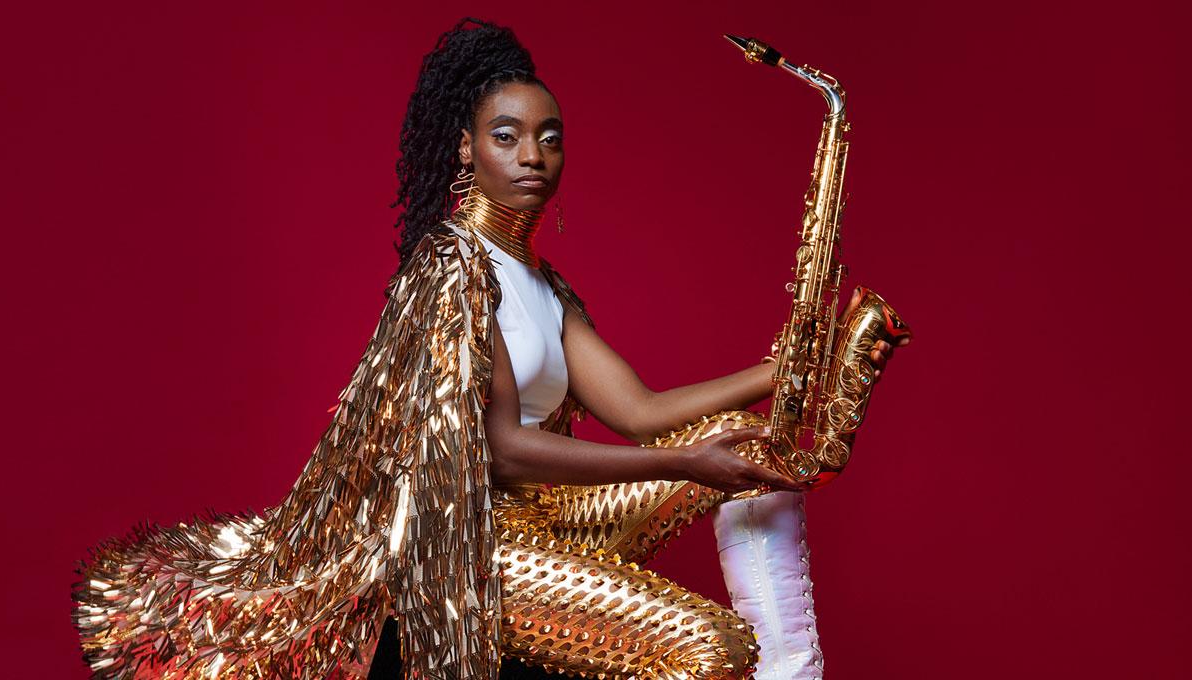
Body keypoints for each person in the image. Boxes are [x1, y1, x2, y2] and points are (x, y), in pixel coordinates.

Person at [72, 17, 905, 680]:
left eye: (549, 137)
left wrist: (783, 371)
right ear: (466, 147)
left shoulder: (541, 282)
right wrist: (686, 466)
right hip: (475, 545)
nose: (533, 156)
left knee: (749, 442)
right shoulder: (454, 269)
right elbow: (499, 448)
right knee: (712, 651)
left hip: (550, 518)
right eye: (507, 136)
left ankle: (793, 666)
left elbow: (639, 410)